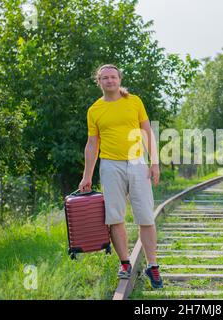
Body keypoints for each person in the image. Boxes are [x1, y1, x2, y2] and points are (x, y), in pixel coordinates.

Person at [78, 64, 163, 289]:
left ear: (119, 79)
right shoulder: (94, 110)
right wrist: (87, 176)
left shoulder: (134, 101)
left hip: (137, 163)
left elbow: (147, 132)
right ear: (99, 82)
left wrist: (154, 162)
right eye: (104, 78)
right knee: (115, 217)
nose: (110, 81)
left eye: (113, 77)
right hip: (110, 166)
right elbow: (92, 144)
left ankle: (153, 266)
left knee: (145, 216)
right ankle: (125, 262)